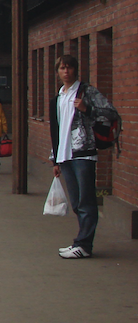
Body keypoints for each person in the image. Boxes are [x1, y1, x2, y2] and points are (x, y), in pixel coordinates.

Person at [49, 54, 119, 259]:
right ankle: (81, 241)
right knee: (77, 202)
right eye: (62, 68)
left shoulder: (87, 92)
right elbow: (56, 130)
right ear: (58, 72)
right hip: (65, 154)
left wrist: (87, 109)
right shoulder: (58, 98)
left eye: (69, 67)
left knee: (87, 200)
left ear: (75, 70)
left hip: (83, 153)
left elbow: (110, 113)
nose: (66, 71)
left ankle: (84, 244)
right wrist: (55, 159)